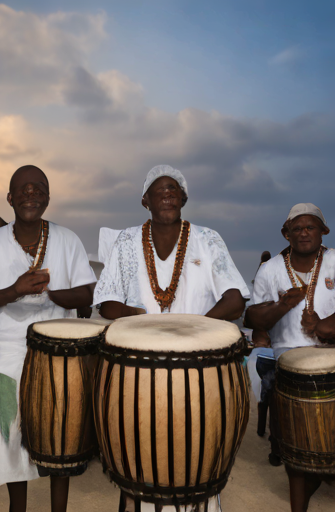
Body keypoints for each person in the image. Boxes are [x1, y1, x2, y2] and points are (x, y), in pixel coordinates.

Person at [94, 165, 249, 512]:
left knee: (195, 459)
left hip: (200, 370)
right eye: (159, 189)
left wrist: (195, 332)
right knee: (138, 461)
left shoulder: (207, 238)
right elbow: (106, 304)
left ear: (184, 199)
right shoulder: (126, 240)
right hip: (136, 371)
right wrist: (142, 319)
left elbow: (235, 299)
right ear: (145, 200)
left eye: (174, 189)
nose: (167, 193)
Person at [0, 120, 97, 512]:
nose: (31, 194)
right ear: (9, 197)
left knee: (60, 435)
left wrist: (49, 292)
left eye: (38, 189)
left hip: (59, 356)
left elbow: (88, 292)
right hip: (8, 355)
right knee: (9, 437)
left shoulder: (67, 239)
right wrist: (15, 290)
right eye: (23, 188)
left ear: (48, 198)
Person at [245, 203, 335, 512]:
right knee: (299, 444)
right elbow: (253, 317)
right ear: (286, 234)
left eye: (310, 227)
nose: (303, 232)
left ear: (323, 231)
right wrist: (282, 306)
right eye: (296, 228)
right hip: (290, 357)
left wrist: (328, 325)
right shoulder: (271, 270)